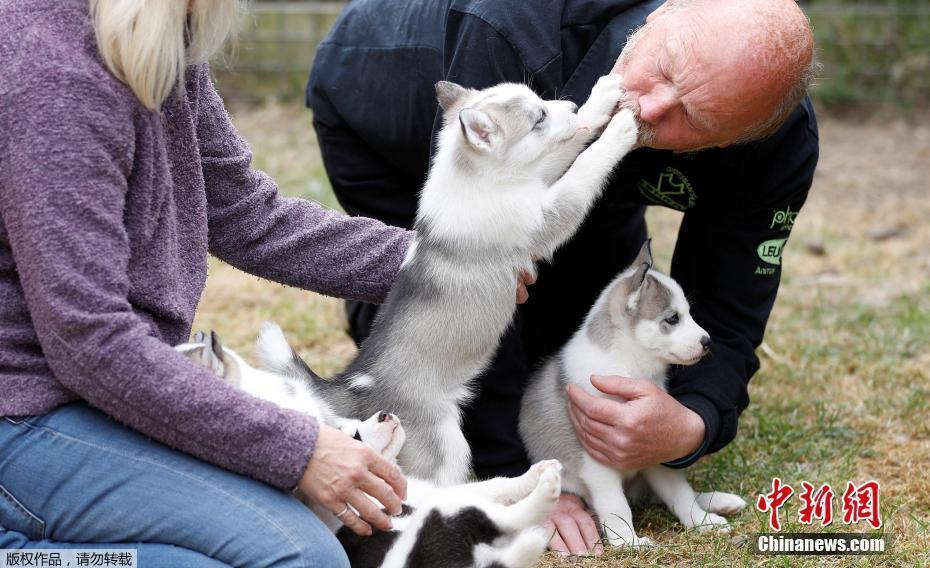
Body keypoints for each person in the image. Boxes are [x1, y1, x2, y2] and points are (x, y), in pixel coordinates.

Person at [307, 0, 819, 555]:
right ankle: (375, 327)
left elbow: (730, 305)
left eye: (691, 118)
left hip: (583, 181)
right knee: (459, 321)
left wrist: (693, 423)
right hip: (385, 122)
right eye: (665, 70)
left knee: (578, 341)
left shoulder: (777, 142)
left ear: (736, 138)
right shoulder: (510, 31)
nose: (649, 107)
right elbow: (481, 281)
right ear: (661, 14)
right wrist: (525, 474)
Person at [0, 1, 420, 565]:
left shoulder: (155, 39)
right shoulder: (56, 79)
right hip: (24, 415)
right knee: (301, 557)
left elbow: (248, 214)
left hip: (94, 390)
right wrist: (300, 449)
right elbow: (90, 341)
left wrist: (444, 268)